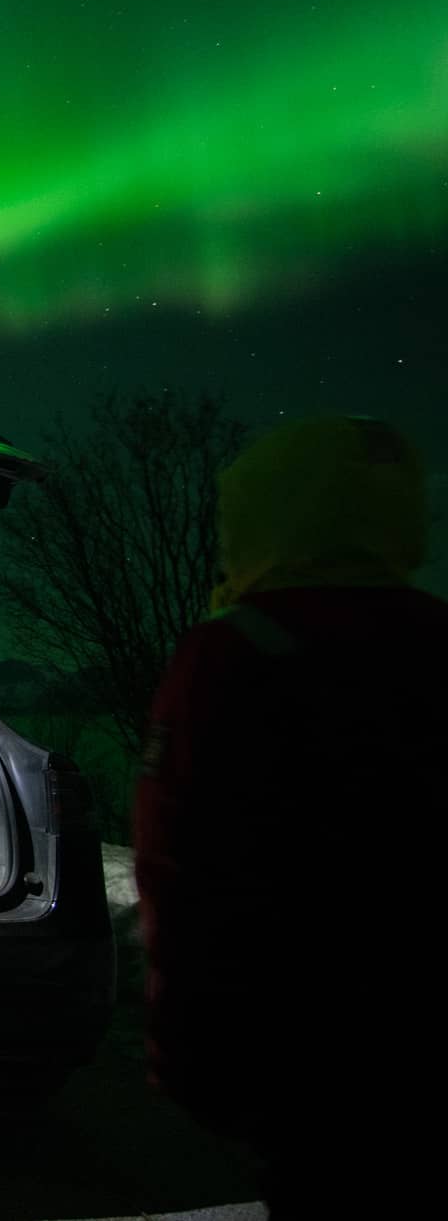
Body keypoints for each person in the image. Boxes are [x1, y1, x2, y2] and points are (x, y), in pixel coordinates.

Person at [136, 414, 448, 1215]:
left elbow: (182, 867)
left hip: (300, 1045)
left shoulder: (233, 654)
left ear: (261, 515)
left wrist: (184, 1054)